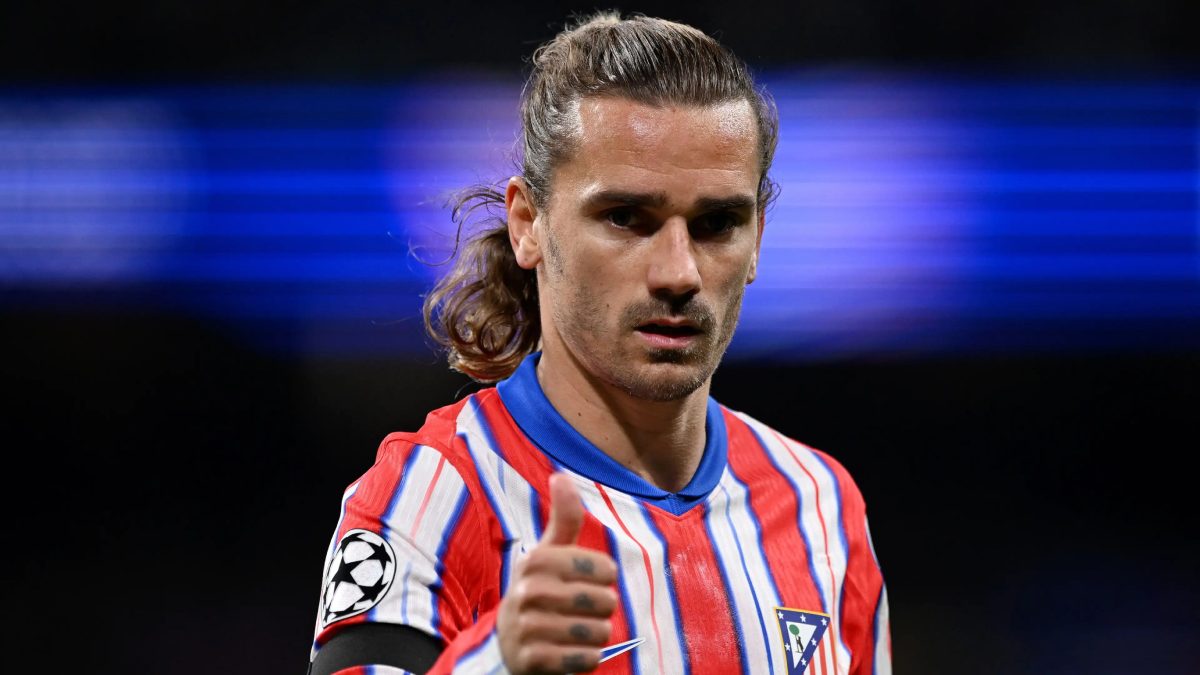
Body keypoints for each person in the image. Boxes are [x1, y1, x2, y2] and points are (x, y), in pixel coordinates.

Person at [308, 11, 890, 675]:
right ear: (528, 223)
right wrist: (496, 662)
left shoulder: (822, 503)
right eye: (625, 218)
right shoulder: (426, 495)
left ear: (757, 236)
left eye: (717, 222)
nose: (679, 272)